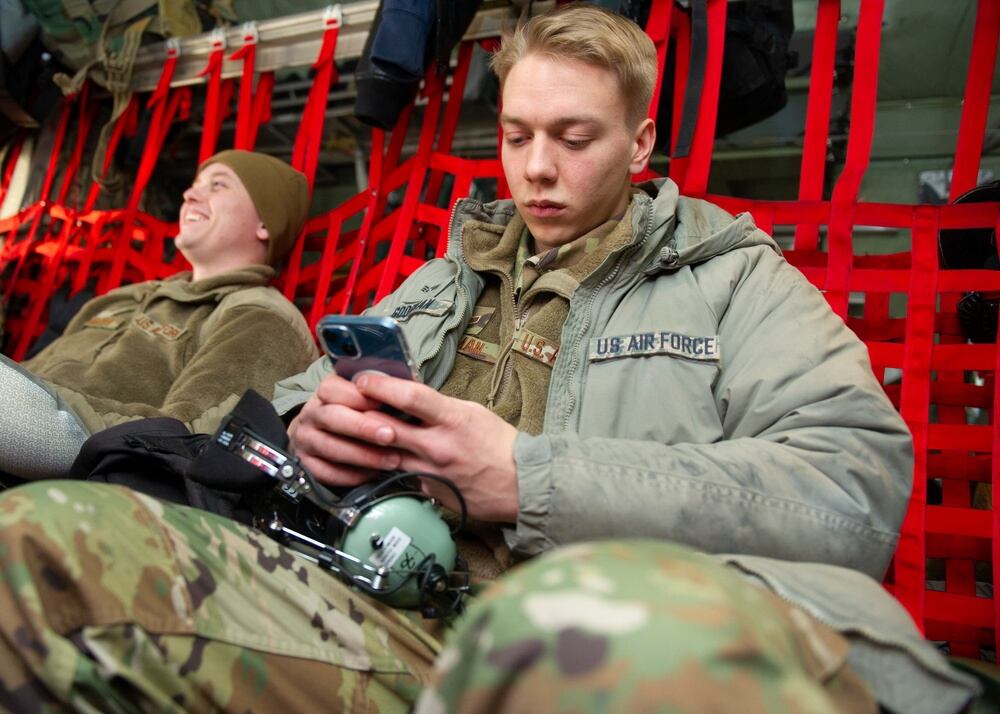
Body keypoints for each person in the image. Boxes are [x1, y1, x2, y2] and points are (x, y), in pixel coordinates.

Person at [0, 6, 981, 712]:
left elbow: (851, 495)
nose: (536, 169)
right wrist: (312, 433)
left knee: (553, 646)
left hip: (595, 640)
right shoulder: (446, 276)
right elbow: (287, 405)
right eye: (515, 136)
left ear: (641, 141)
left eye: (573, 137)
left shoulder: (731, 280)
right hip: (381, 613)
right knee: (33, 544)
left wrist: (529, 477)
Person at [0, 150, 318, 481]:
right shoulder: (123, 297)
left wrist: (44, 415)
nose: (190, 194)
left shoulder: (260, 317)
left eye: (218, 185)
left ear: (266, 223)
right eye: (195, 185)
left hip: (86, 467)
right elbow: (27, 378)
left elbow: (189, 441)